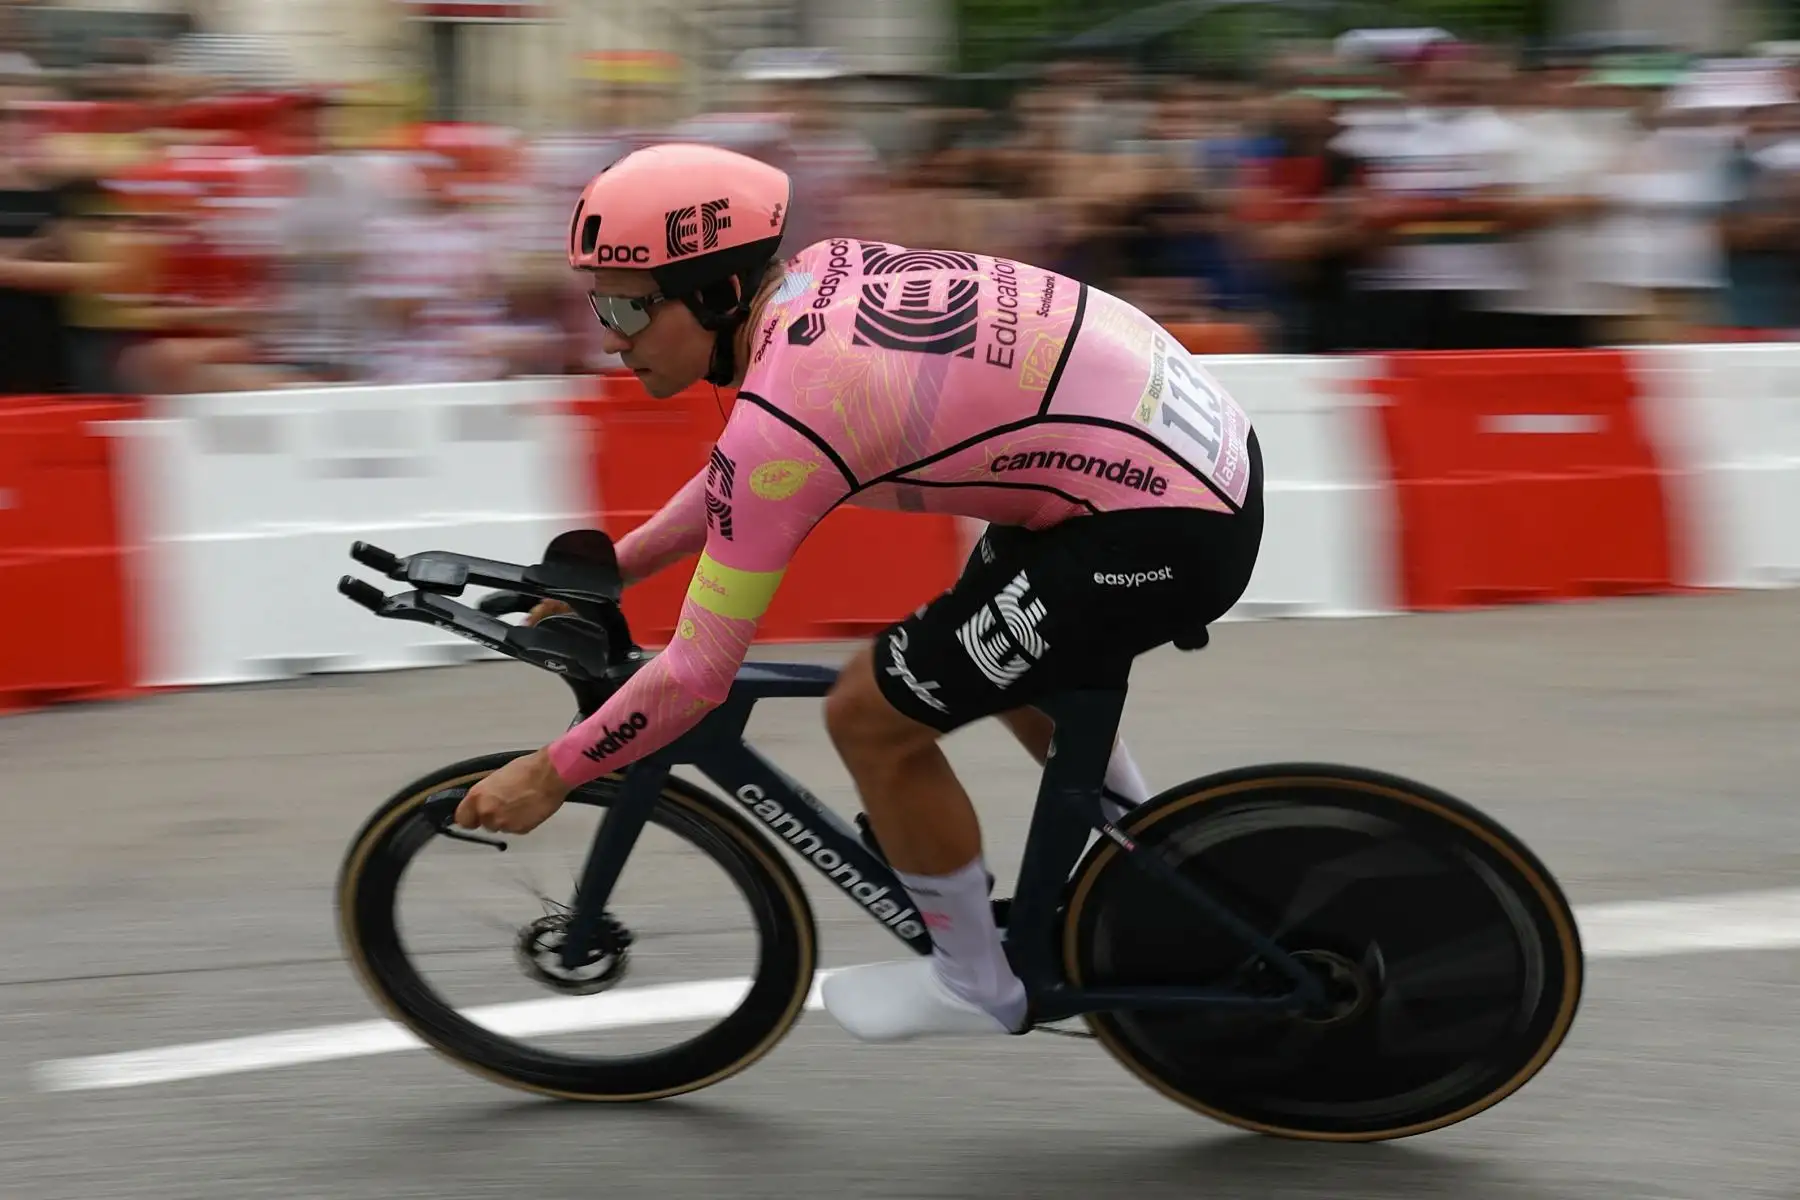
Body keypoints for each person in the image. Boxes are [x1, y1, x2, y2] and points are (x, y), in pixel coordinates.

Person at [454, 143, 1265, 1042]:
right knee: (996, 652)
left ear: (720, 294)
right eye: (597, 303)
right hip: (1180, 465)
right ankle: (1147, 860)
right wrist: (621, 569)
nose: (609, 334)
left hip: (1160, 522)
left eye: (626, 305)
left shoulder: (792, 408)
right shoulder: (812, 280)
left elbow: (694, 676)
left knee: (870, 711)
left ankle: (975, 982)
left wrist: (549, 774)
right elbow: (742, 473)